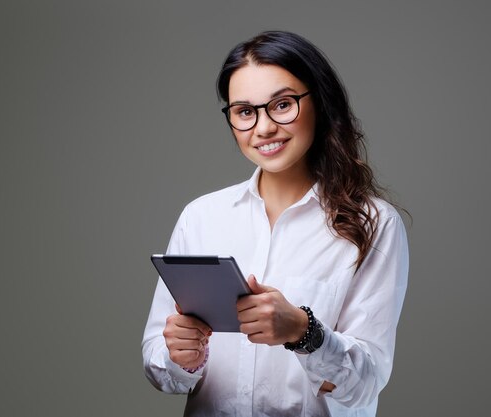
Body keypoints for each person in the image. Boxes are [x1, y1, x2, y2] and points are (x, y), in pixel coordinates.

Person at [142, 30, 409, 417]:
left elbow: (364, 384)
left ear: (319, 102)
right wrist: (180, 356)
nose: (263, 128)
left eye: (282, 105)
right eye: (245, 112)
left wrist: (305, 333)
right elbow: (159, 367)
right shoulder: (201, 217)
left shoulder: (375, 224)